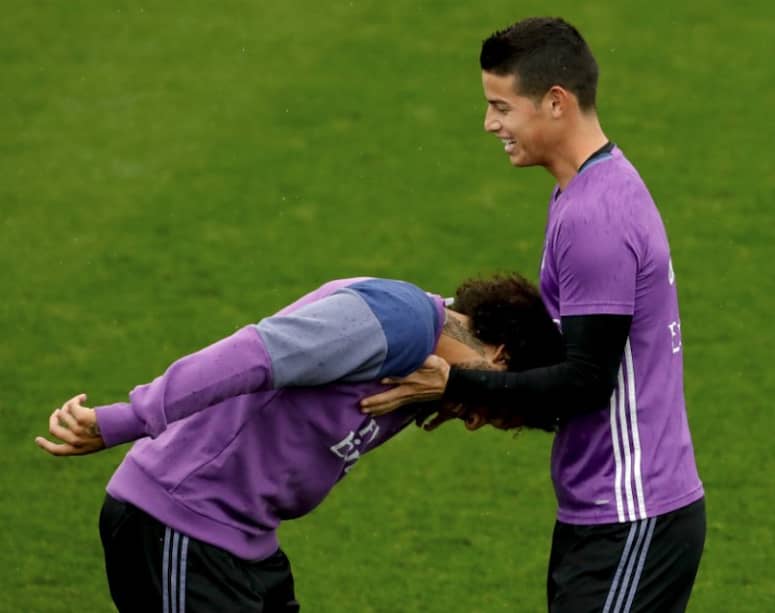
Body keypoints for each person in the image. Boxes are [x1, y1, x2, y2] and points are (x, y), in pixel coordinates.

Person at [361, 17, 706, 613]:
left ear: (555, 103)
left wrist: (458, 381)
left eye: (502, 107)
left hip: (631, 513)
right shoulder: (587, 191)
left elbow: (587, 380)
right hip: (607, 509)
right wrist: (480, 390)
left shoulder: (595, 219)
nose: (490, 123)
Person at [35, 273, 563, 613]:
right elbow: (251, 355)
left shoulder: (425, 377)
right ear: (499, 357)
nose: (474, 421)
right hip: (178, 522)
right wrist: (126, 418)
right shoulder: (395, 320)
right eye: (496, 410)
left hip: (244, 543)